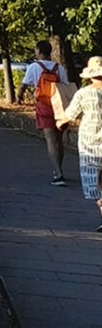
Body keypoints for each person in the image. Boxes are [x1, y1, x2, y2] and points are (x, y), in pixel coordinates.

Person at [57, 55, 102, 231]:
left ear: (90, 75)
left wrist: (60, 122)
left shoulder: (84, 93)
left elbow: (68, 115)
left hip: (90, 144)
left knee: (96, 182)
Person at [18, 40, 70, 186]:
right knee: (59, 140)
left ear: (39, 51)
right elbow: (65, 86)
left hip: (44, 106)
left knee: (50, 140)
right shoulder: (59, 68)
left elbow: (24, 85)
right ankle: (59, 170)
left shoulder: (34, 67)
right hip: (58, 106)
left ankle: (57, 173)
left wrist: (19, 97)